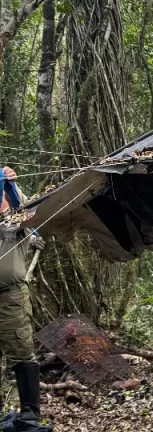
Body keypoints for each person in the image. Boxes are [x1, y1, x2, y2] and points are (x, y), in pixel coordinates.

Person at [0, 167, 50, 432]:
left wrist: (10, 182)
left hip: (11, 297)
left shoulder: (16, 213)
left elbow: (31, 215)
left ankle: (29, 416)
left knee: (21, 352)